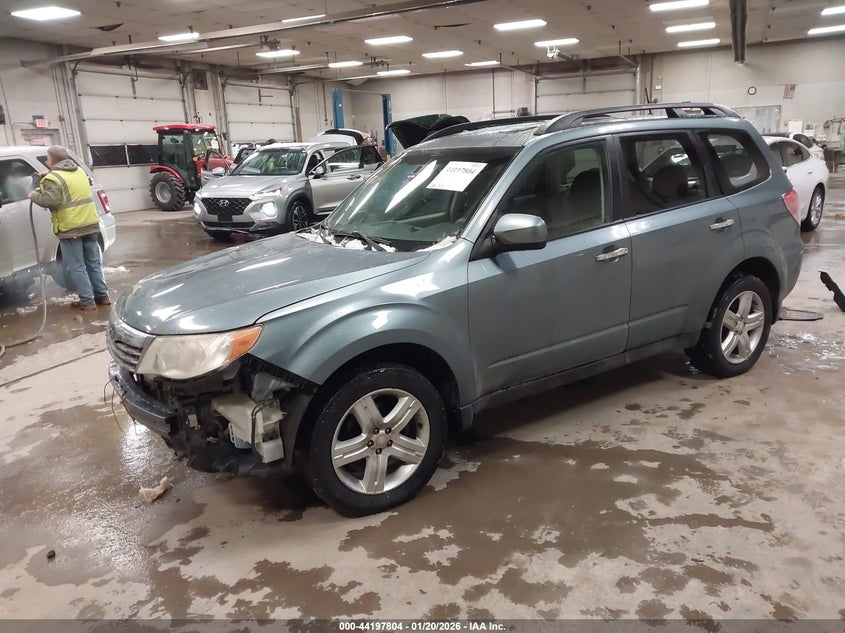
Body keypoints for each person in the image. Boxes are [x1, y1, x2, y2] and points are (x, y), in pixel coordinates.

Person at [28, 145, 110, 311]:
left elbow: (51, 201)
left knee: (77, 267)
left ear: (51, 159)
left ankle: (87, 301)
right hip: (90, 224)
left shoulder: (54, 178)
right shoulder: (79, 171)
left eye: (47, 158)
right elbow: (68, 185)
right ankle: (103, 297)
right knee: (93, 264)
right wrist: (49, 176)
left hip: (71, 228)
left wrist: (33, 195)